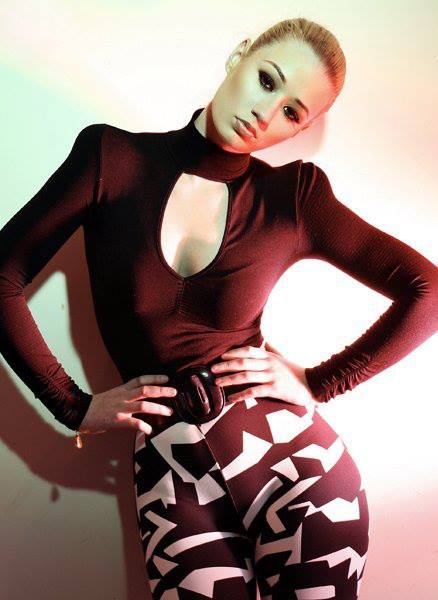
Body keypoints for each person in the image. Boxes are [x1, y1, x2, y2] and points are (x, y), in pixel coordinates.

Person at [1, 16, 437, 600]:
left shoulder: (294, 196)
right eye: (267, 79)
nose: (266, 111)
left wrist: (321, 381)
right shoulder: (110, 158)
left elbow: (427, 290)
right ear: (240, 56)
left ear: (299, 129)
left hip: (301, 477)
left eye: (291, 112)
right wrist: (72, 405)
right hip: (173, 482)